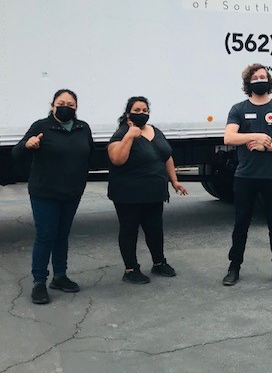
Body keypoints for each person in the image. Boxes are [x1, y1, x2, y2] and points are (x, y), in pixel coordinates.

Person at [12, 89, 94, 305]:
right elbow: (16, 153)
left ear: (76, 108)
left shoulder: (83, 128)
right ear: (52, 105)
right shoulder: (41, 126)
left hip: (72, 193)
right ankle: (39, 282)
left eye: (71, 104)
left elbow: (90, 156)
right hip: (45, 193)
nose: (66, 106)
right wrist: (28, 145)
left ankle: (60, 276)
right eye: (61, 102)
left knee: (62, 235)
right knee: (46, 235)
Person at [222, 63, 272, 286]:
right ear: (248, 83)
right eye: (255, 77)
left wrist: (267, 145)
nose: (260, 80)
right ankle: (234, 267)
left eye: (263, 76)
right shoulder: (238, 109)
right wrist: (255, 135)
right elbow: (229, 138)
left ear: (269, 81)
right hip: (245, 176)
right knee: (241, 223)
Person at [107, 96, 188, 284]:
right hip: (128, 194)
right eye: (137, 111)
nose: (142, 114)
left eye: (145, 111)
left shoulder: (155, 131)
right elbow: (117, 159)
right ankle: (130, 269)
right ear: (128, 114)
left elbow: (166, 156)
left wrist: (174, 181)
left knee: (155, 229)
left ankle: (159, 263)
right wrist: (129, 136)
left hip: (155, 192)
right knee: (129, 230)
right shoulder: (121, 133)